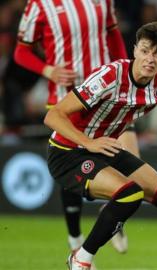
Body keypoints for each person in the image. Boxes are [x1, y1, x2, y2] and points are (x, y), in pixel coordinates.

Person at [43, 21, 157, 270]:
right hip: (68, 153)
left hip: (105, 148)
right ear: (135, 50)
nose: (150, 58)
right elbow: (53, 116)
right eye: (146, 50)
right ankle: (81, 259)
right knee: (130, 194)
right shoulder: (110, 76)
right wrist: (89, 142)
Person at [14, 0, 133, 257]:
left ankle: (111, 210)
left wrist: (126, 68)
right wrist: (48, 70)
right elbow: (21, 52)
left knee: (130, 153)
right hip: (67, 98)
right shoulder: (40, 4)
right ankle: (75, 237)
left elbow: (112, 33)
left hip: (107, 93)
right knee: (73, 161)